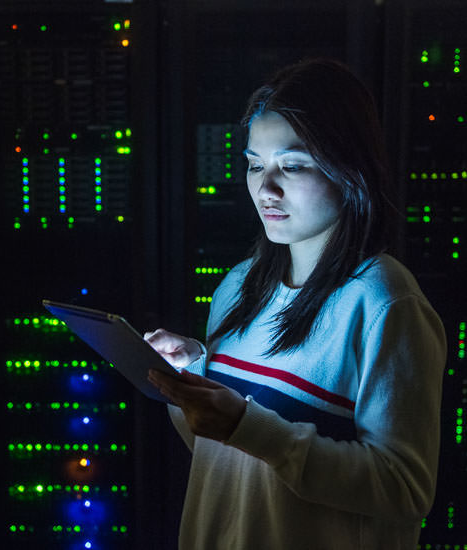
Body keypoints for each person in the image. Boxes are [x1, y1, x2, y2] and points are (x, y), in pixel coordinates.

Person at [145, 58, 446, 550]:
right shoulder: (239, 287)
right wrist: (189, 384)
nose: (266, 188)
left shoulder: (385, 301)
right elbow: (226, 460)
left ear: (351, 168)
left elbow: (403, 488)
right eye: (254, 164)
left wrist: (249, 424)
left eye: (294, 165)